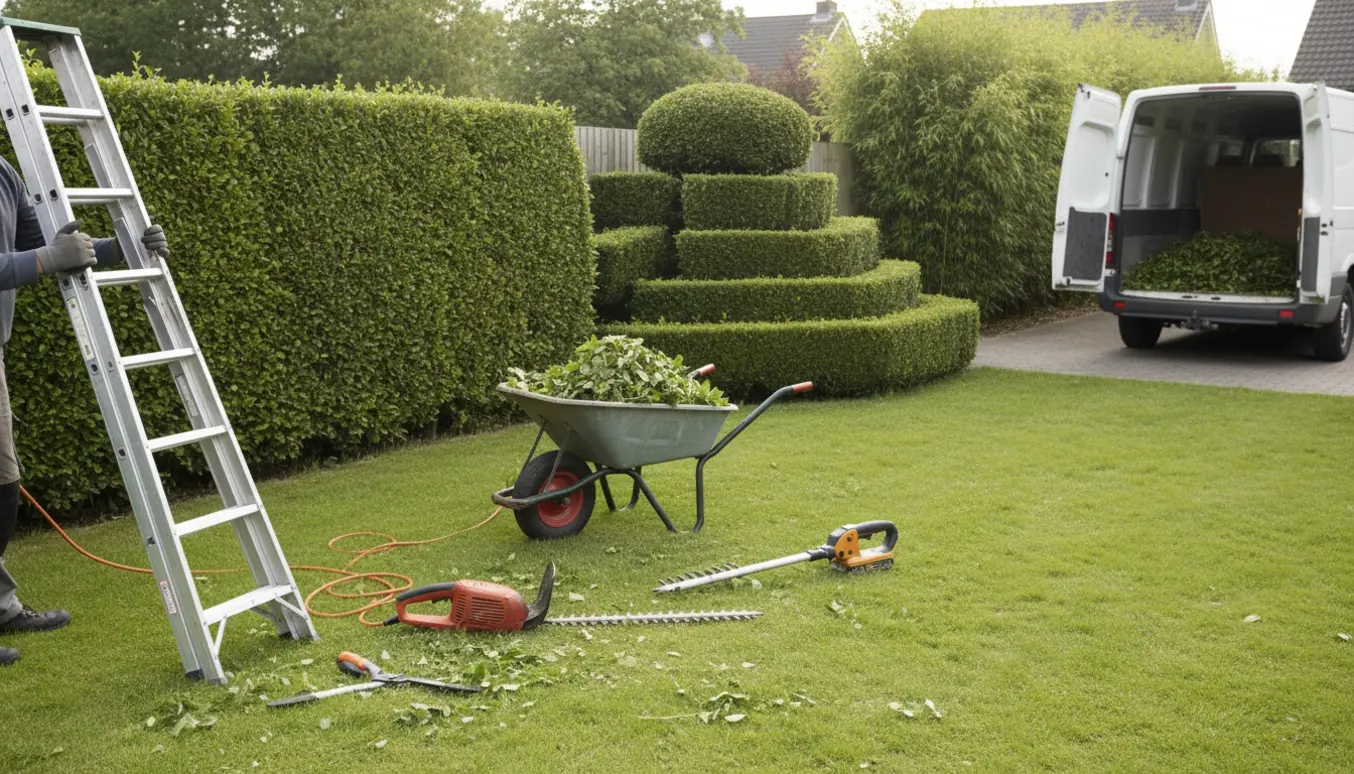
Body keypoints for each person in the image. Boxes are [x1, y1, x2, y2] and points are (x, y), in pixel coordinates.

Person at [0, 157, 168, 667]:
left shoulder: (5, 173)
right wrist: (50, 260)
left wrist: (119, 248)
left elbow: (47, 241)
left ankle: (1, 607)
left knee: (4, 486)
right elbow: (46, 257)